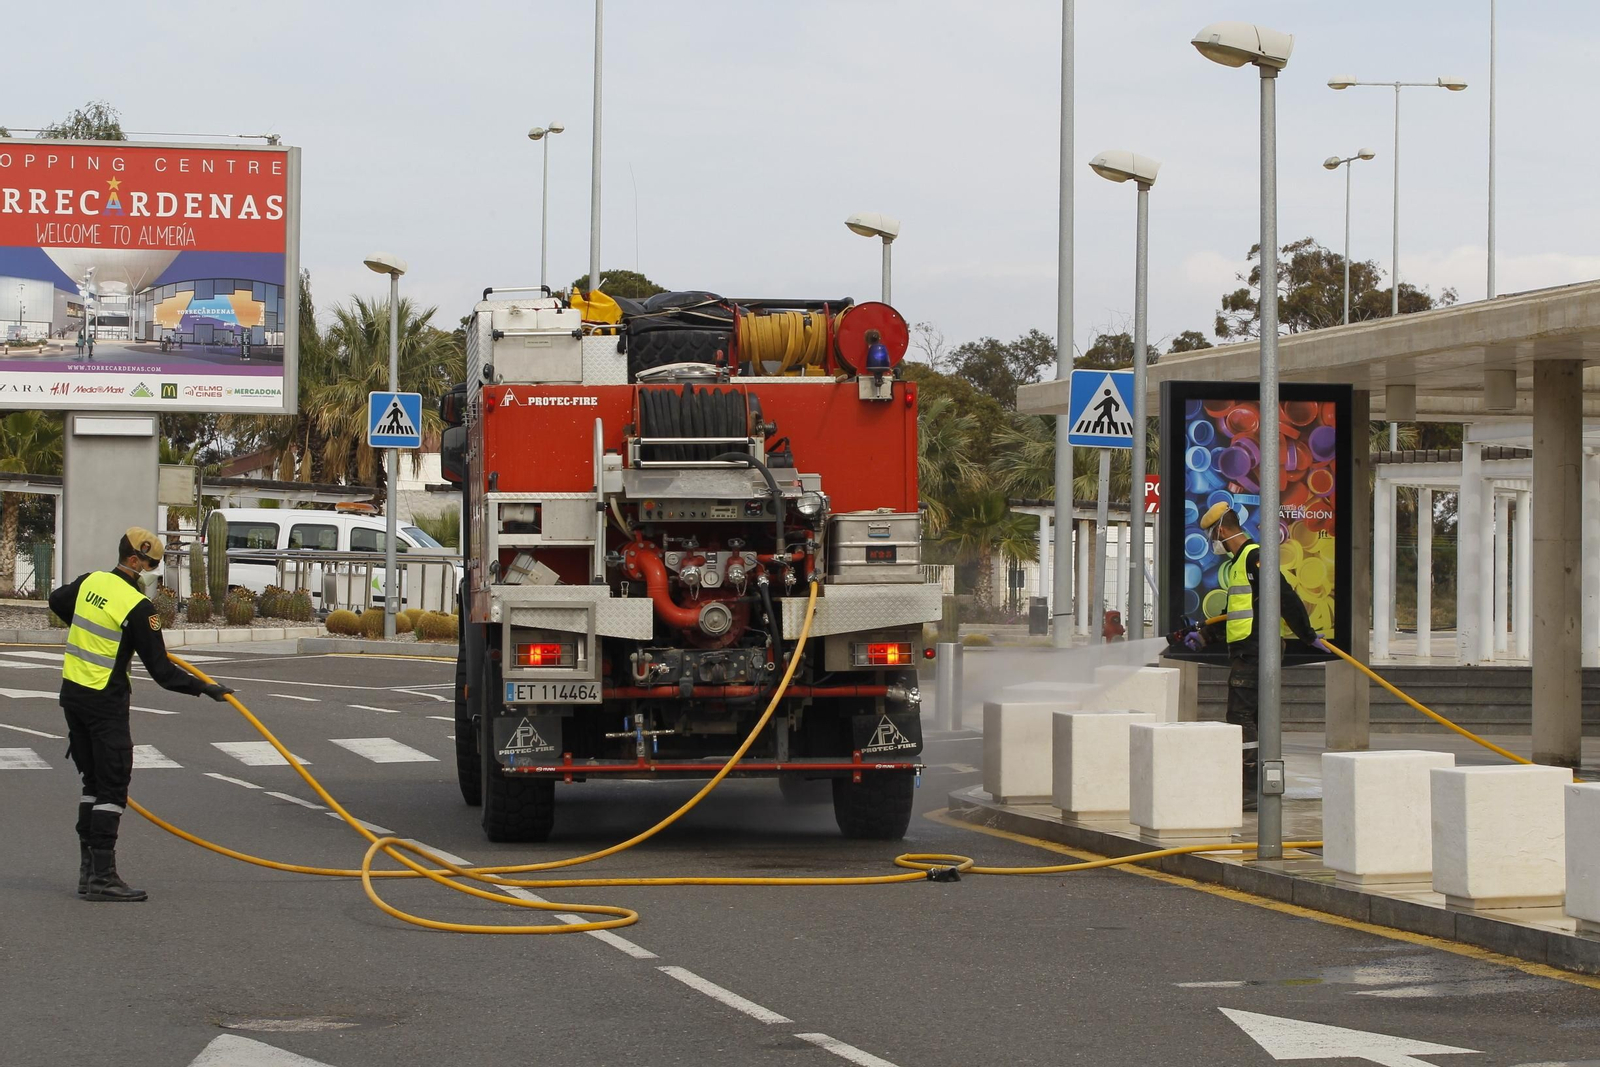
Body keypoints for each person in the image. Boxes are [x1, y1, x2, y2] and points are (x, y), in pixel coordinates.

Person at [49, 527, 237, 902]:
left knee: (92, 784)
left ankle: (88, 873)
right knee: (112, 788)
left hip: (73, 696)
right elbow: (163, 672)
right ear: (134, 560)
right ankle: (102, 877)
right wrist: (205, 687)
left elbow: (57, 600)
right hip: (105, 702)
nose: (151, 572)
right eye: (150, 565)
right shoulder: (138, 607)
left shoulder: (91, 581)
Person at [1198, 503, 1318, 810]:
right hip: (1249, 649)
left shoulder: (1253, 557)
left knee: (1240, 717)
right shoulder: (1240, 562)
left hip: (1255, 651)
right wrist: (1205, 634)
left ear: (1221, 531)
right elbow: (1237, 611)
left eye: (1213, 536)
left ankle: (1251, 788)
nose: (1214, 543)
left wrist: (1308, 635)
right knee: (1252, 717)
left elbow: (1284, 595)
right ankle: (1258, 786)